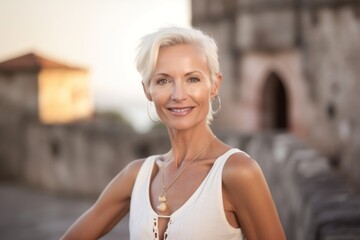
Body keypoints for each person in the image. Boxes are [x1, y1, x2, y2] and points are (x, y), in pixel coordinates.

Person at [61, 26, 285, 240]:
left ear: (214, 85)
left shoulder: (238, 172)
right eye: (163, 81)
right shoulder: (137, 175)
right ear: (147, 90)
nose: (178, 94)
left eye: (193, 79)